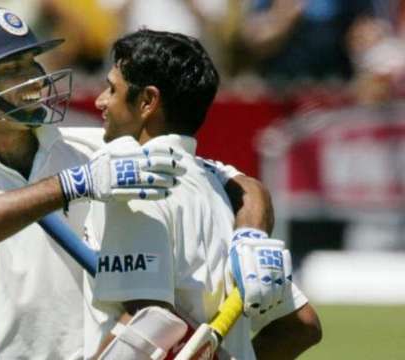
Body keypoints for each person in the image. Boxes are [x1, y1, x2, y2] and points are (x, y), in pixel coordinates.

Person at [0, 6, 295, 359]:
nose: (35, 80)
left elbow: (237, 182)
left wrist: (250, 237)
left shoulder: (92, 146)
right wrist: (73, 185)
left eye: (33, 63)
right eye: (12, 70)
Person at [83, 29, 322, 359]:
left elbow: (147, 329)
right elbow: (302, 326)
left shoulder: (133, 191)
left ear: (147, 101)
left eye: (112, 89)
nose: (100, 101)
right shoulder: (221, 189)